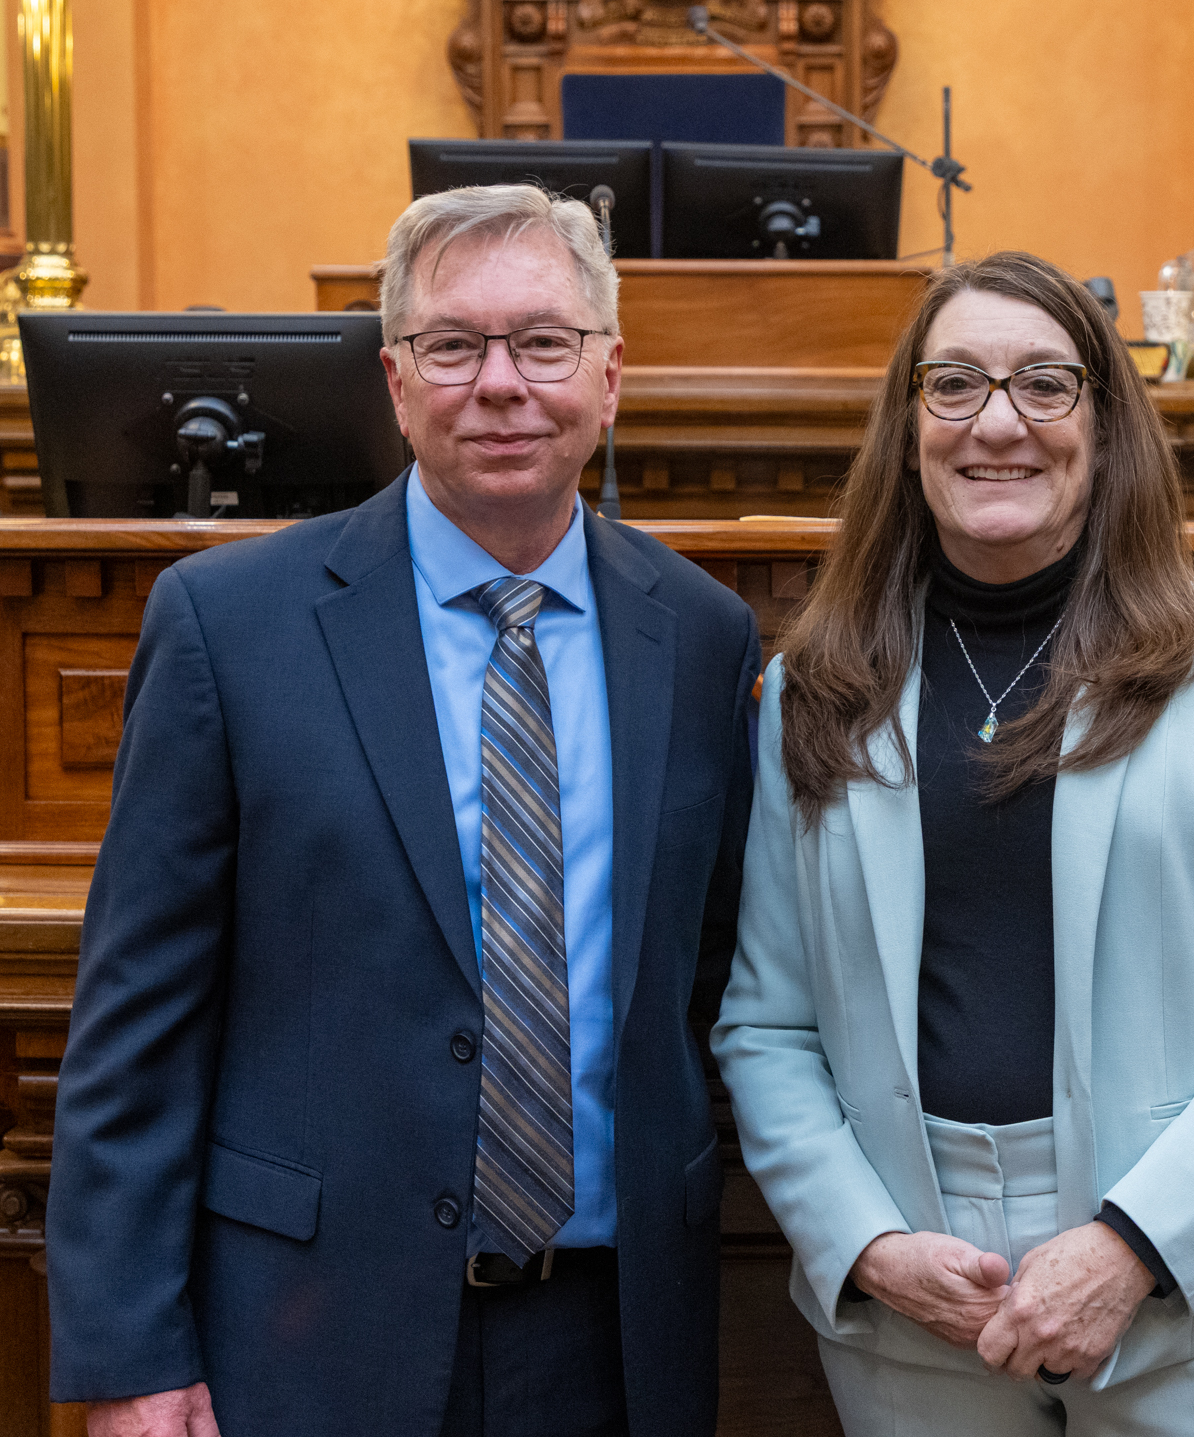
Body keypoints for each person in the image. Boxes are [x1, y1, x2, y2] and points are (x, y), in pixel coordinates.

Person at [47, 184, 760, 1437]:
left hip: (617, 1329)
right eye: (453, 344)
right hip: (312, 1325)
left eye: (543, 341)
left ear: (607, 375)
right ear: (393, 376)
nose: (500, 382)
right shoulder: (229, 624)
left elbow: (706, 967)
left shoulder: (700, 636)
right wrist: (129, 1353)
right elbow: (136, 1018)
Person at [711, 251, 1194, 1435]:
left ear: (1104, 424)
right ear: (907, 425)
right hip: (922, 1308)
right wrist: (864, 1241)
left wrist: (1132, 1246)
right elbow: (766, 1024)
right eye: (955, 384)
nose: (998, 423)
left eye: (1043, 384)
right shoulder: (813, 690)